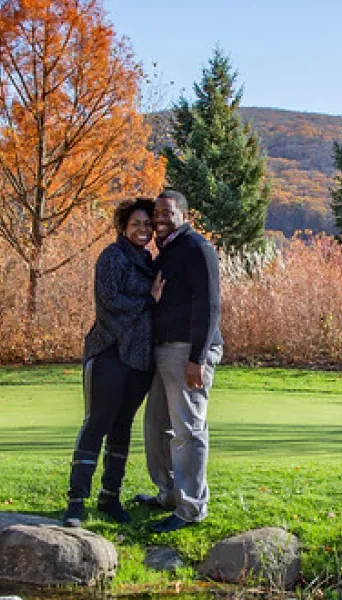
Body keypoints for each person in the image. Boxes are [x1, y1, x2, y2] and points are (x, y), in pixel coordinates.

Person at [62, 198, 164, 528]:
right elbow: (109, 302)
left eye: (148, 225)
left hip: (140, 359)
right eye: (136, 224)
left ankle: (110, 497)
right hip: (109, 353)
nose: (143, 230)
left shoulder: (149, 261)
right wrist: (149, 299)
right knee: (96, 426)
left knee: (122, 429)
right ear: (123, 226)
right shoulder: (112, 257)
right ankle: (76, 503)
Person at [136, 190, 224, 533]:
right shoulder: (166, 251)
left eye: (166, 213)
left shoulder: (197, 248)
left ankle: (191, 507)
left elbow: (209, 306)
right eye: (155, 212)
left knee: (188, 430)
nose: (159, 218)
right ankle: (169, 493)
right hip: (163, 349)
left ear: (184, 215)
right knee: (157, 426)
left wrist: (197, 359)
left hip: (188, 351)